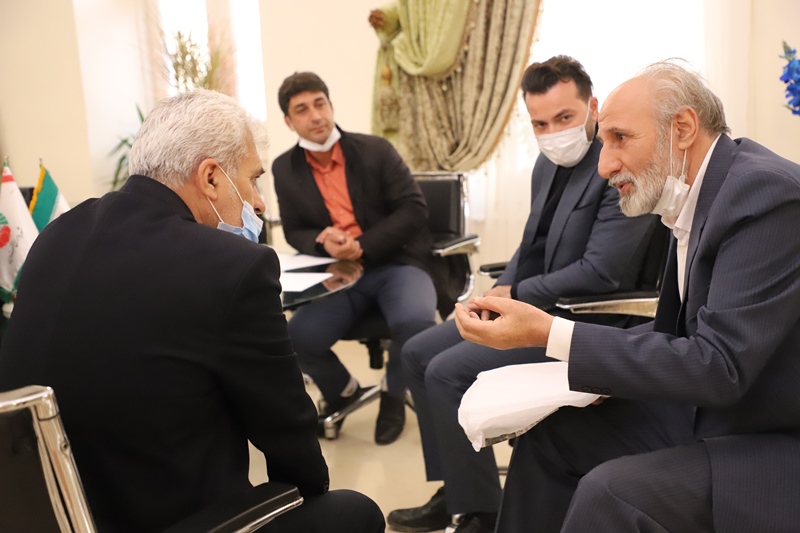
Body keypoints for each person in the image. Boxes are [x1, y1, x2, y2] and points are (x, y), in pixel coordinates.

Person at [0, 90, 385, 533]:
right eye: (253, 179)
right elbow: (287, 432)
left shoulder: (57, 234)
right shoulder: (233, 266)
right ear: (211, 178)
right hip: (171, 520)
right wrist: (304, 497)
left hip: (50, 514)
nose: (259, 203)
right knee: (354, 512)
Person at [455, 60, 800, 533]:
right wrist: (600, 379)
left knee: (609, 491)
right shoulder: (697, 195)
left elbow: (720, 366)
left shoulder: (765, 195)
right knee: (551, 438)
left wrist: (549, 332)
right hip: (720, 409)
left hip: (769, 435)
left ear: (683, 128)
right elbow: (684, 333)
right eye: (604, 142)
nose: (604, 165)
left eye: (620, 138)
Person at [388, 56, 657, 533]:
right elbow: (530, 244)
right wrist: (498, 292)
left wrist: (519, 291)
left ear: (593, 107)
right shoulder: (546, 164)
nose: (552, 133)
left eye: (564, 117)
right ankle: (455, 488)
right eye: (539, 124)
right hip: (534, 303)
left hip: (585, 319)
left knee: (446, 372)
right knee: (415, 352)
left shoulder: (615, 166)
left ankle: (481, 514)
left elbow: (602, 272)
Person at [272, 71, 437, 445]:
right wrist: (322, 241)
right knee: (294, 337)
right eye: (302, 109)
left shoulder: (375, 149)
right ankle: (343, 391)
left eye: (320, 104)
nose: (315, 115)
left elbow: (413, 209)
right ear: (289, 122)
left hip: (397, 263)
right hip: (340, 273)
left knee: (415, 320)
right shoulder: (284, 168)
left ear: (331, 106)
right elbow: (294, 229)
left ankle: (394, 393)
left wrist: (362, 245)